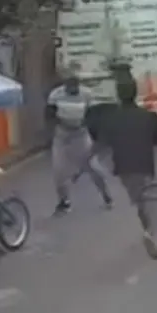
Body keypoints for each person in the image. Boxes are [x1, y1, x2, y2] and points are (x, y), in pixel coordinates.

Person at [97, 77, 157, 260]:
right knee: (151, 199)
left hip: (123, 171)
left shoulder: (110, 119)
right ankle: (151, 234)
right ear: (135, 93)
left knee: (139, 201)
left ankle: (147, 230)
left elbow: (102, 143)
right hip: (144, 166)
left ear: (118, 95)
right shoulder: (148, 116)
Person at [46, 73, 113, 214]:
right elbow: (49, 115)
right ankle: (64, 201)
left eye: (75, 87)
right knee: (59, 170)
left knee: (93, 166)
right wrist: (53, 129)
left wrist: (92, 132)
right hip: (62, 135)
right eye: (70, 87)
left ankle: (106, 195)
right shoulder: (56, 95)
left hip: (80, 135)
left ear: (78, 85)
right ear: (65, 85)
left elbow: (92, 115)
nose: (73, 90)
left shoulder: (86, 94)